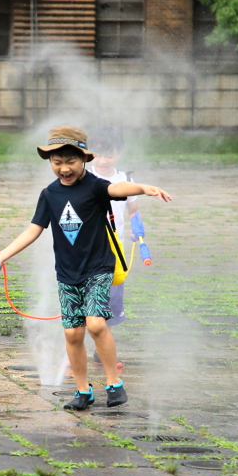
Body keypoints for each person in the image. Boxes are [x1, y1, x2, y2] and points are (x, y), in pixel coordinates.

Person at [0, 126, 172, 411]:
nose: (64, 168)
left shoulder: (95, 186)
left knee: (96, 324)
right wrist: (2, 257)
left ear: (84, 159)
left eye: (70, 161)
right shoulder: (49, 195)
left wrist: (142, 188)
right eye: (57, 162)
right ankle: (83, 391)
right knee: (72, 334)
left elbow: (116, 189)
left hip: (99, 267)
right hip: (68, 273)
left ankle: (114, 384)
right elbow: (33, 230)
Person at [87, 125, 138, 338]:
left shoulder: (125, 180)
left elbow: (133, 210)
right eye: (97, 154)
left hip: (114, 249)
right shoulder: (82, 177)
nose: (103, 160)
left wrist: (137, 229)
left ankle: (103, 350)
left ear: (119, 153)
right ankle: (72, 353)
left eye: (109, 155)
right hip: (87, 247)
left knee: (110, 298)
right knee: (82, 298)